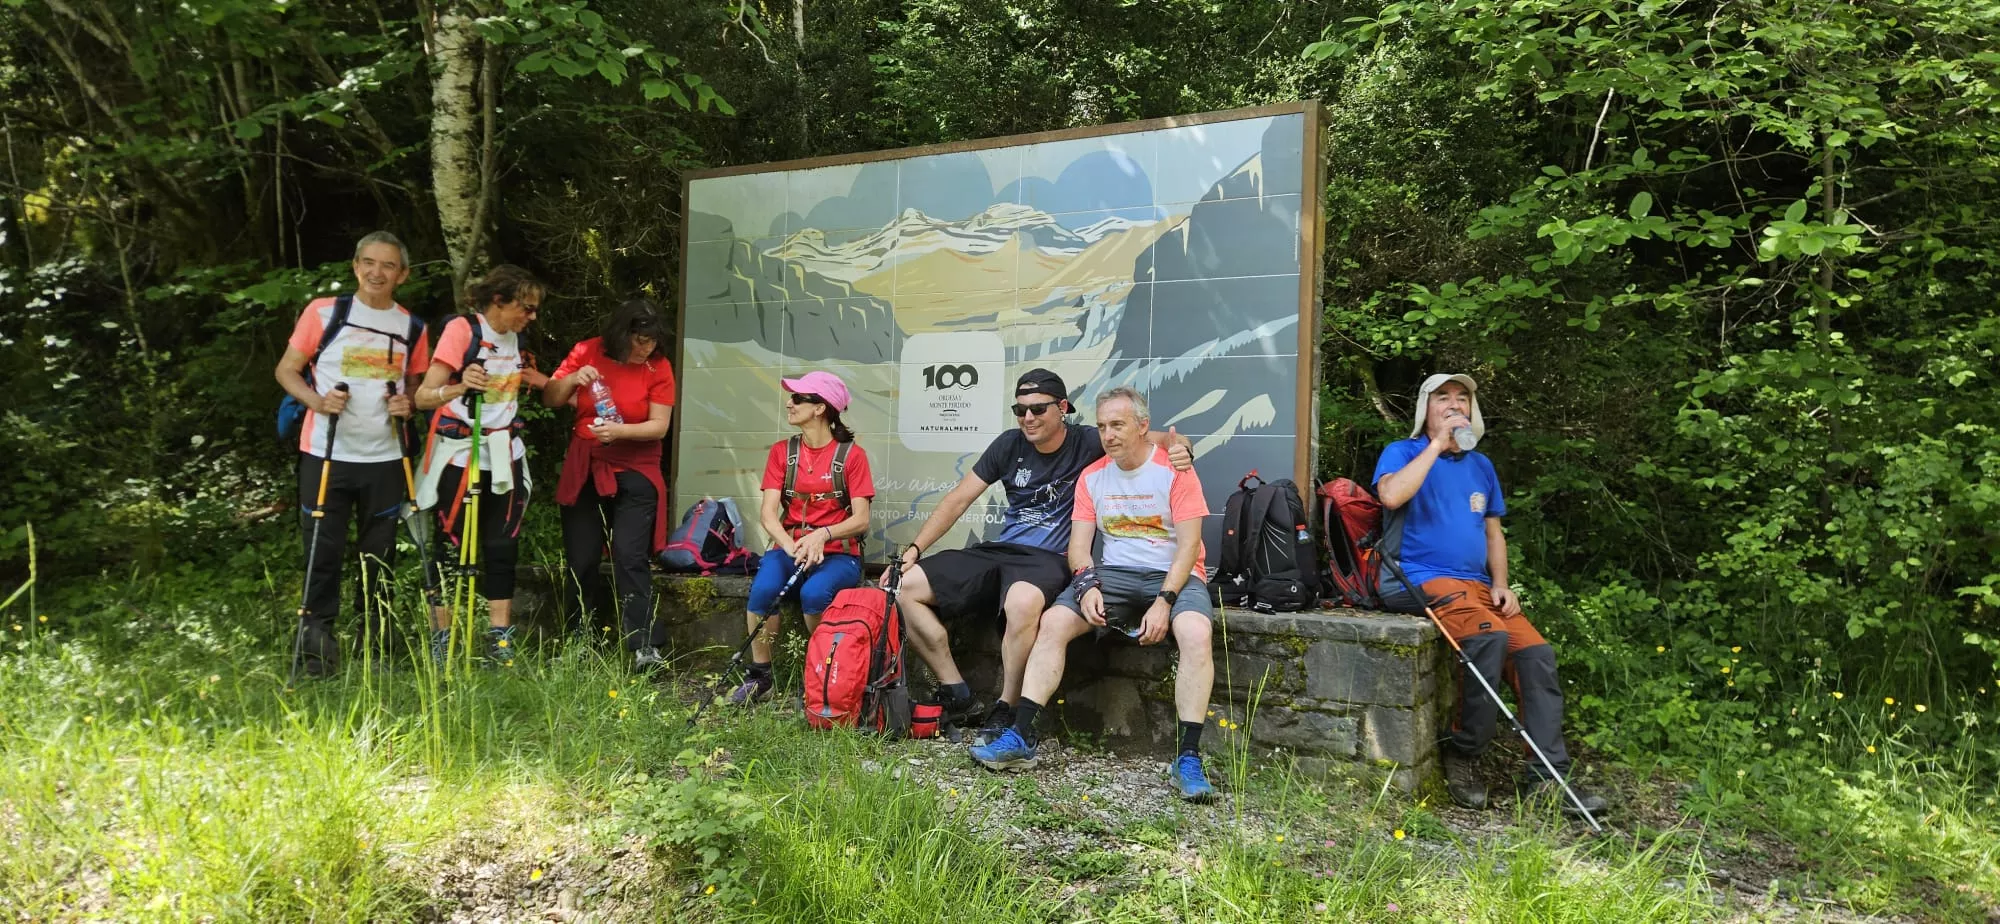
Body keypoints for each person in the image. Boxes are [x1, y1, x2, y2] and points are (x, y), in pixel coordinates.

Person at [890, 369, 1192, 734]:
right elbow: (958, 500)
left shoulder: (1090, 440)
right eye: (1020, 410)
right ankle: (958, 693)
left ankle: (1008, 705)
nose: (1028, 418)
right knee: (904, 586)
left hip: (1050, 559)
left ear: (1062, 407)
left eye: (1038, 409)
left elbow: (1162, 439)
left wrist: (1182, 449)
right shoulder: (1008, 444)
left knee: (1020, 603)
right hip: (1002, 549)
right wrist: (915, 548)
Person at [1373, 373, 1608, 815]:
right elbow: (1390, 496)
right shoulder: (1403, 451)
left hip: (1479, 587)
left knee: (1536, 653)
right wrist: (1437, 445)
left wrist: (1501, 585)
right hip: (1417, 576)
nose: (1454, 404)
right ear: (1426, 406)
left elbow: (1493, 532)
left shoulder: (1482, 465)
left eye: (1463, 398)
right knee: (1487, 638)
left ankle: (1546, 777)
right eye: (1443, 397)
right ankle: (1464, 752)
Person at [969, 388, 1219, 802]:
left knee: (1195, 634)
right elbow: (1079, 547)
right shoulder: (1093, 476)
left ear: (1143, 427)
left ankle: (1188, 758)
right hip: (1113, 574)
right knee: (1053, 622)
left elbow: (1190, 546)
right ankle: (1020, 736)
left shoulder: (1176, 471)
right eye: (1102, 426)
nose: (1108, 434)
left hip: (1173, 574)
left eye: (1118, 425)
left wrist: (1164, 602)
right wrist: (1085, 586)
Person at [274, 231, 432, 677]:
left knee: (378, 558)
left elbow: (416, 391)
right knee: (321, 553)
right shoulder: (324, 312)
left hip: (385, 459)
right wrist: (317, 401)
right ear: (355, 266)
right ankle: (315, 656)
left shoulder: (413, 328)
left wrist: (408, 405)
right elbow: (286, 369)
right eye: (368, 262)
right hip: (326, 452)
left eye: (386, 265)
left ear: (401, 274)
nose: (375, 272)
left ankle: (376, 651)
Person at [414, 264, 549, 666]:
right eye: (525, 308)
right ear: (498, 301)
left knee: (501, 545)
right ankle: (443, 639)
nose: (531, 317)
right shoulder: (463, 330)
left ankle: (499, 640)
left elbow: (532, 378)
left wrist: (571, 384)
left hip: (504, 453)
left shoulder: (517, 337)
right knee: (452, 545)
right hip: (459, 452)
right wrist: (460, 385)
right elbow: (423, 396)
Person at [544, 298, 677, 671]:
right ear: (620, 334)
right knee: (581, 557)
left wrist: (619, 431)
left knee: (629, 554)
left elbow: (659, 426)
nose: (644, 347)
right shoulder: (588, 351)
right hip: (586, 464)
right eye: (638, 339)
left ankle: (645, 647)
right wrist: (571, 378)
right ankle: (578, 641)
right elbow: (551, 397)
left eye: (651, 340)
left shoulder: (659, 366)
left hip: (637, 466)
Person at [728, 371, 876, 703]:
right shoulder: (783, 452)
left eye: (798, 398)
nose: (789, 403)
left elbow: (861, 519)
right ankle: (761, 677)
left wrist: (822, 535)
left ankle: (823, 675)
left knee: (815, 592)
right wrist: (791, 545)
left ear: (821, 408)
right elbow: (768, 514)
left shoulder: (852, 456)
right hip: (790, 546)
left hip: (839, 553)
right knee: (763, 589)